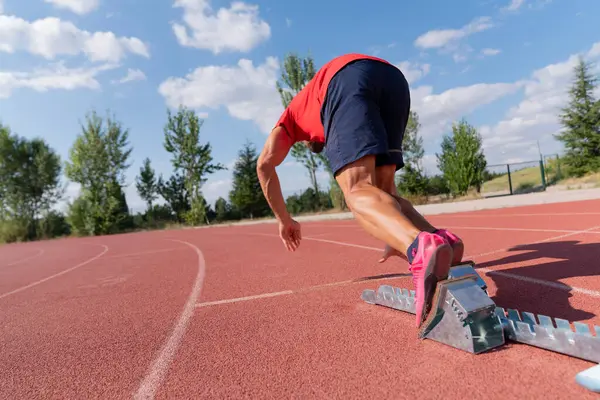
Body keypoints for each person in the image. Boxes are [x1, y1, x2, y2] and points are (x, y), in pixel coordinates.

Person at [256, 53, 464, 332]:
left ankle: (419, 247)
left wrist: (284, 220)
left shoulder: (290, 120)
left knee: (355, 189)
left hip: (346, 80)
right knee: (384, 190)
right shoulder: (316, 115)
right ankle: (442, 241)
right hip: (392, 79)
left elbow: (264, 165)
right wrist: (393, 233)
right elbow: (386, 195)